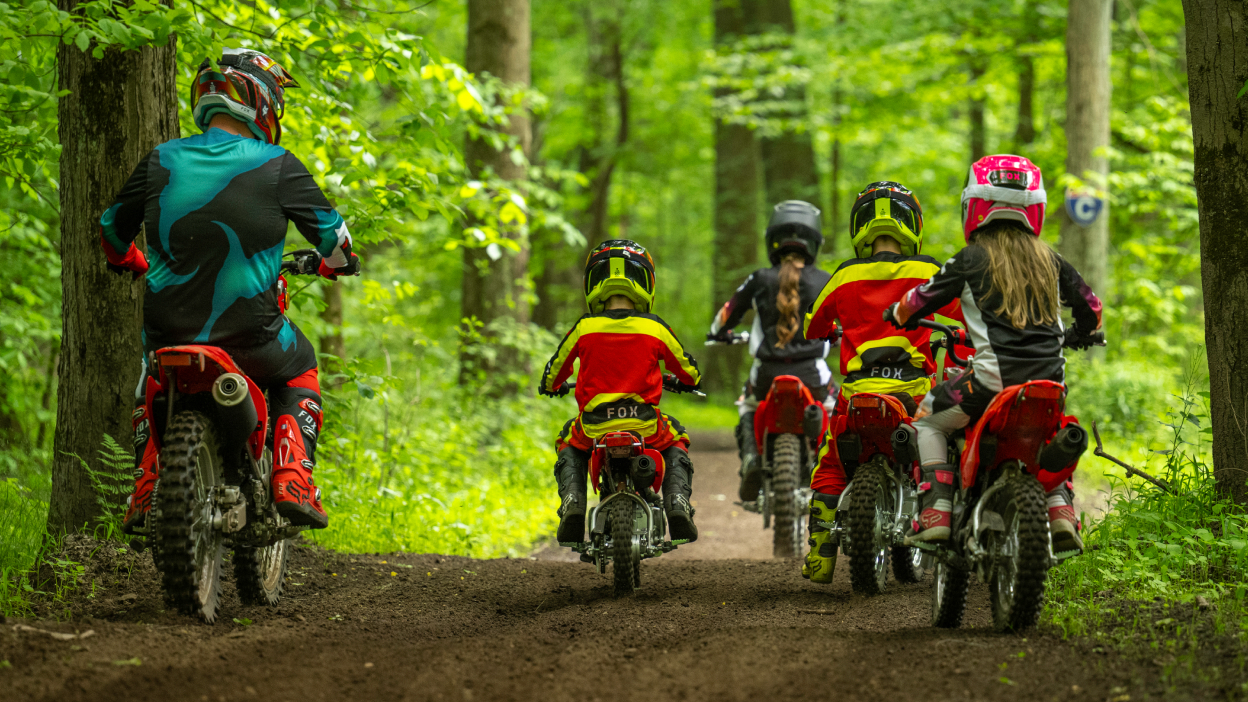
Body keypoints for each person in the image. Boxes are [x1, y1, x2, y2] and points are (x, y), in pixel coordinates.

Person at [102, 49, 361, 534]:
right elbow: (338, 242)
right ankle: (290, 475)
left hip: (167, 333)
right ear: (261, 101)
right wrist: (334, 266)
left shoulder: (162, 159)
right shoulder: (279, 165)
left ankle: (147, 483)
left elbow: (112, 230)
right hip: (252, 338)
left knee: (150, 381)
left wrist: (131, 260)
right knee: (301, 367)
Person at [885, 155, 1103, 554]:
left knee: (926, 422)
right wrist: (1081, 333)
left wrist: (897, 314)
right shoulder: (1051, 259)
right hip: (1050, 383)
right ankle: (1059, 512)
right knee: (1050, 436)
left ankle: (937, 510)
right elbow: (1092, 306)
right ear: (1032, 209)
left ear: (975, 207)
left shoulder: (969, 259)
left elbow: (919, 299)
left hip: (988, 385)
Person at [800, 181, 963, 583]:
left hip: (858, 396)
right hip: (913, 394)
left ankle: (820, 554)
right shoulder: (927, 270)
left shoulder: (844, 276)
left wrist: (832, 330)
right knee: (947, 446)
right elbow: (969, 316)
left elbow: (811, 325)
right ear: (913, 225)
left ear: (860, 228)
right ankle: (943, 519)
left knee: (830, 463)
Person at [540, 240, 702, 543]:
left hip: (594, 427)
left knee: (567, 441)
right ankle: (677, 503)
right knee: (677, 437)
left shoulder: (585, 327)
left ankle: (573, 503)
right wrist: (688, 382)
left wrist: (552, 386)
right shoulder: (654, 328)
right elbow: (689, 371)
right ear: (645, 283)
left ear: (594, 284)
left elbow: (553, 372)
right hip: (645, 425)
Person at [707, 201, 834, 504]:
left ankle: (751, 458)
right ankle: (828, 466)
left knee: (747, 406)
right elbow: (846, 321)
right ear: (814, 241)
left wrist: (718, 334)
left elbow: (727, 313)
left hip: (766, 373)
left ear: (772, 240)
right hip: (812, 372)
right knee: (834, 408)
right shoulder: (826, 280)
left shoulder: (759, 278)